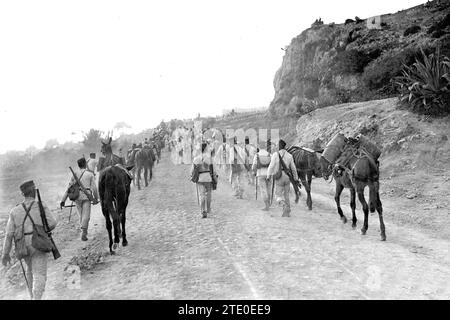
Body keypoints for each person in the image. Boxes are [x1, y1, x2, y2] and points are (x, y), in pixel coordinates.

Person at [1, 180, 57, 300]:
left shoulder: (14, 211)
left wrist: (5, 254)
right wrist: (42, 227)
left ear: (23, 194)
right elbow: (52, 223)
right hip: (38, 243)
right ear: (34, 191)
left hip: (22, 245)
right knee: (40, 274)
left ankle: (32, 296)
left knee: (30, 271)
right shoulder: (40, 205)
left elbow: (9, 234)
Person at [60, 157, 99, 241]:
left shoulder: (74, 174)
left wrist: (63, 200)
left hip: (76, 197)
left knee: (81, 215)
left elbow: (69, 188)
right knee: (86, 216)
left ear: (78, 165)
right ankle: (84, 232)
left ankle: (83, 231)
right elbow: (94, 188)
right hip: (86, 196)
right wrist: (96, 198)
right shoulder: (90, 174)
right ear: (85, 164)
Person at [267, 139, 299, 217]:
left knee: (277, 195)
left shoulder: (275, 154)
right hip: (287, 176)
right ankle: (287, 212)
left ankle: (283, 205)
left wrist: (268, 176)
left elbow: (271, 167)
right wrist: (296, 178)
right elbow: (293, 169)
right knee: (286, 195)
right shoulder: (289, 155)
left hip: (279, 176)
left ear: (280, 146)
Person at [191, 142, 216, 218]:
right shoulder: (209, 158)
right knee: (208, 194)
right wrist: (215, 177)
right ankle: (208, 209)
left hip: (200, 178)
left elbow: (192, 171)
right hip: (208, 177)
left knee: (202, 195)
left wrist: (192, 176)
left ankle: (203, 211)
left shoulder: (196, 159)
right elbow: (214, 169)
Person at [252, 141, 273, 211]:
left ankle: (266, 205)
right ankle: (269, 203)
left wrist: (254, 172)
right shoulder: (269, 155)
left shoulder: (257, 155)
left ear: (259, 147)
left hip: (260, 174)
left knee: (263, 190)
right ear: (265, 147)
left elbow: (254, 166)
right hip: (269, 175)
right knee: (268, 189)